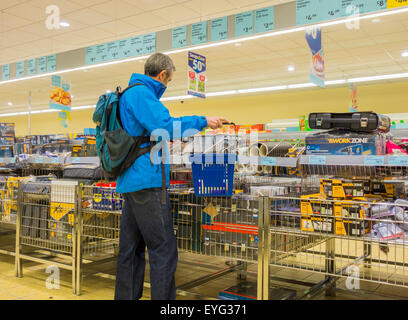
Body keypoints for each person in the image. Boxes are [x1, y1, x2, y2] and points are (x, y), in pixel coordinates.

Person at [114, 52, 229, 300]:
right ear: (163, 74)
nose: (167, 85)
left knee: (131, 250)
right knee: (163, 249)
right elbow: (166, 126)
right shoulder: (142, 93)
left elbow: (146, 134)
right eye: (169, 80)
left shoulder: (128, 93)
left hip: (130, 182)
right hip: (148, 182)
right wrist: (204, 121)